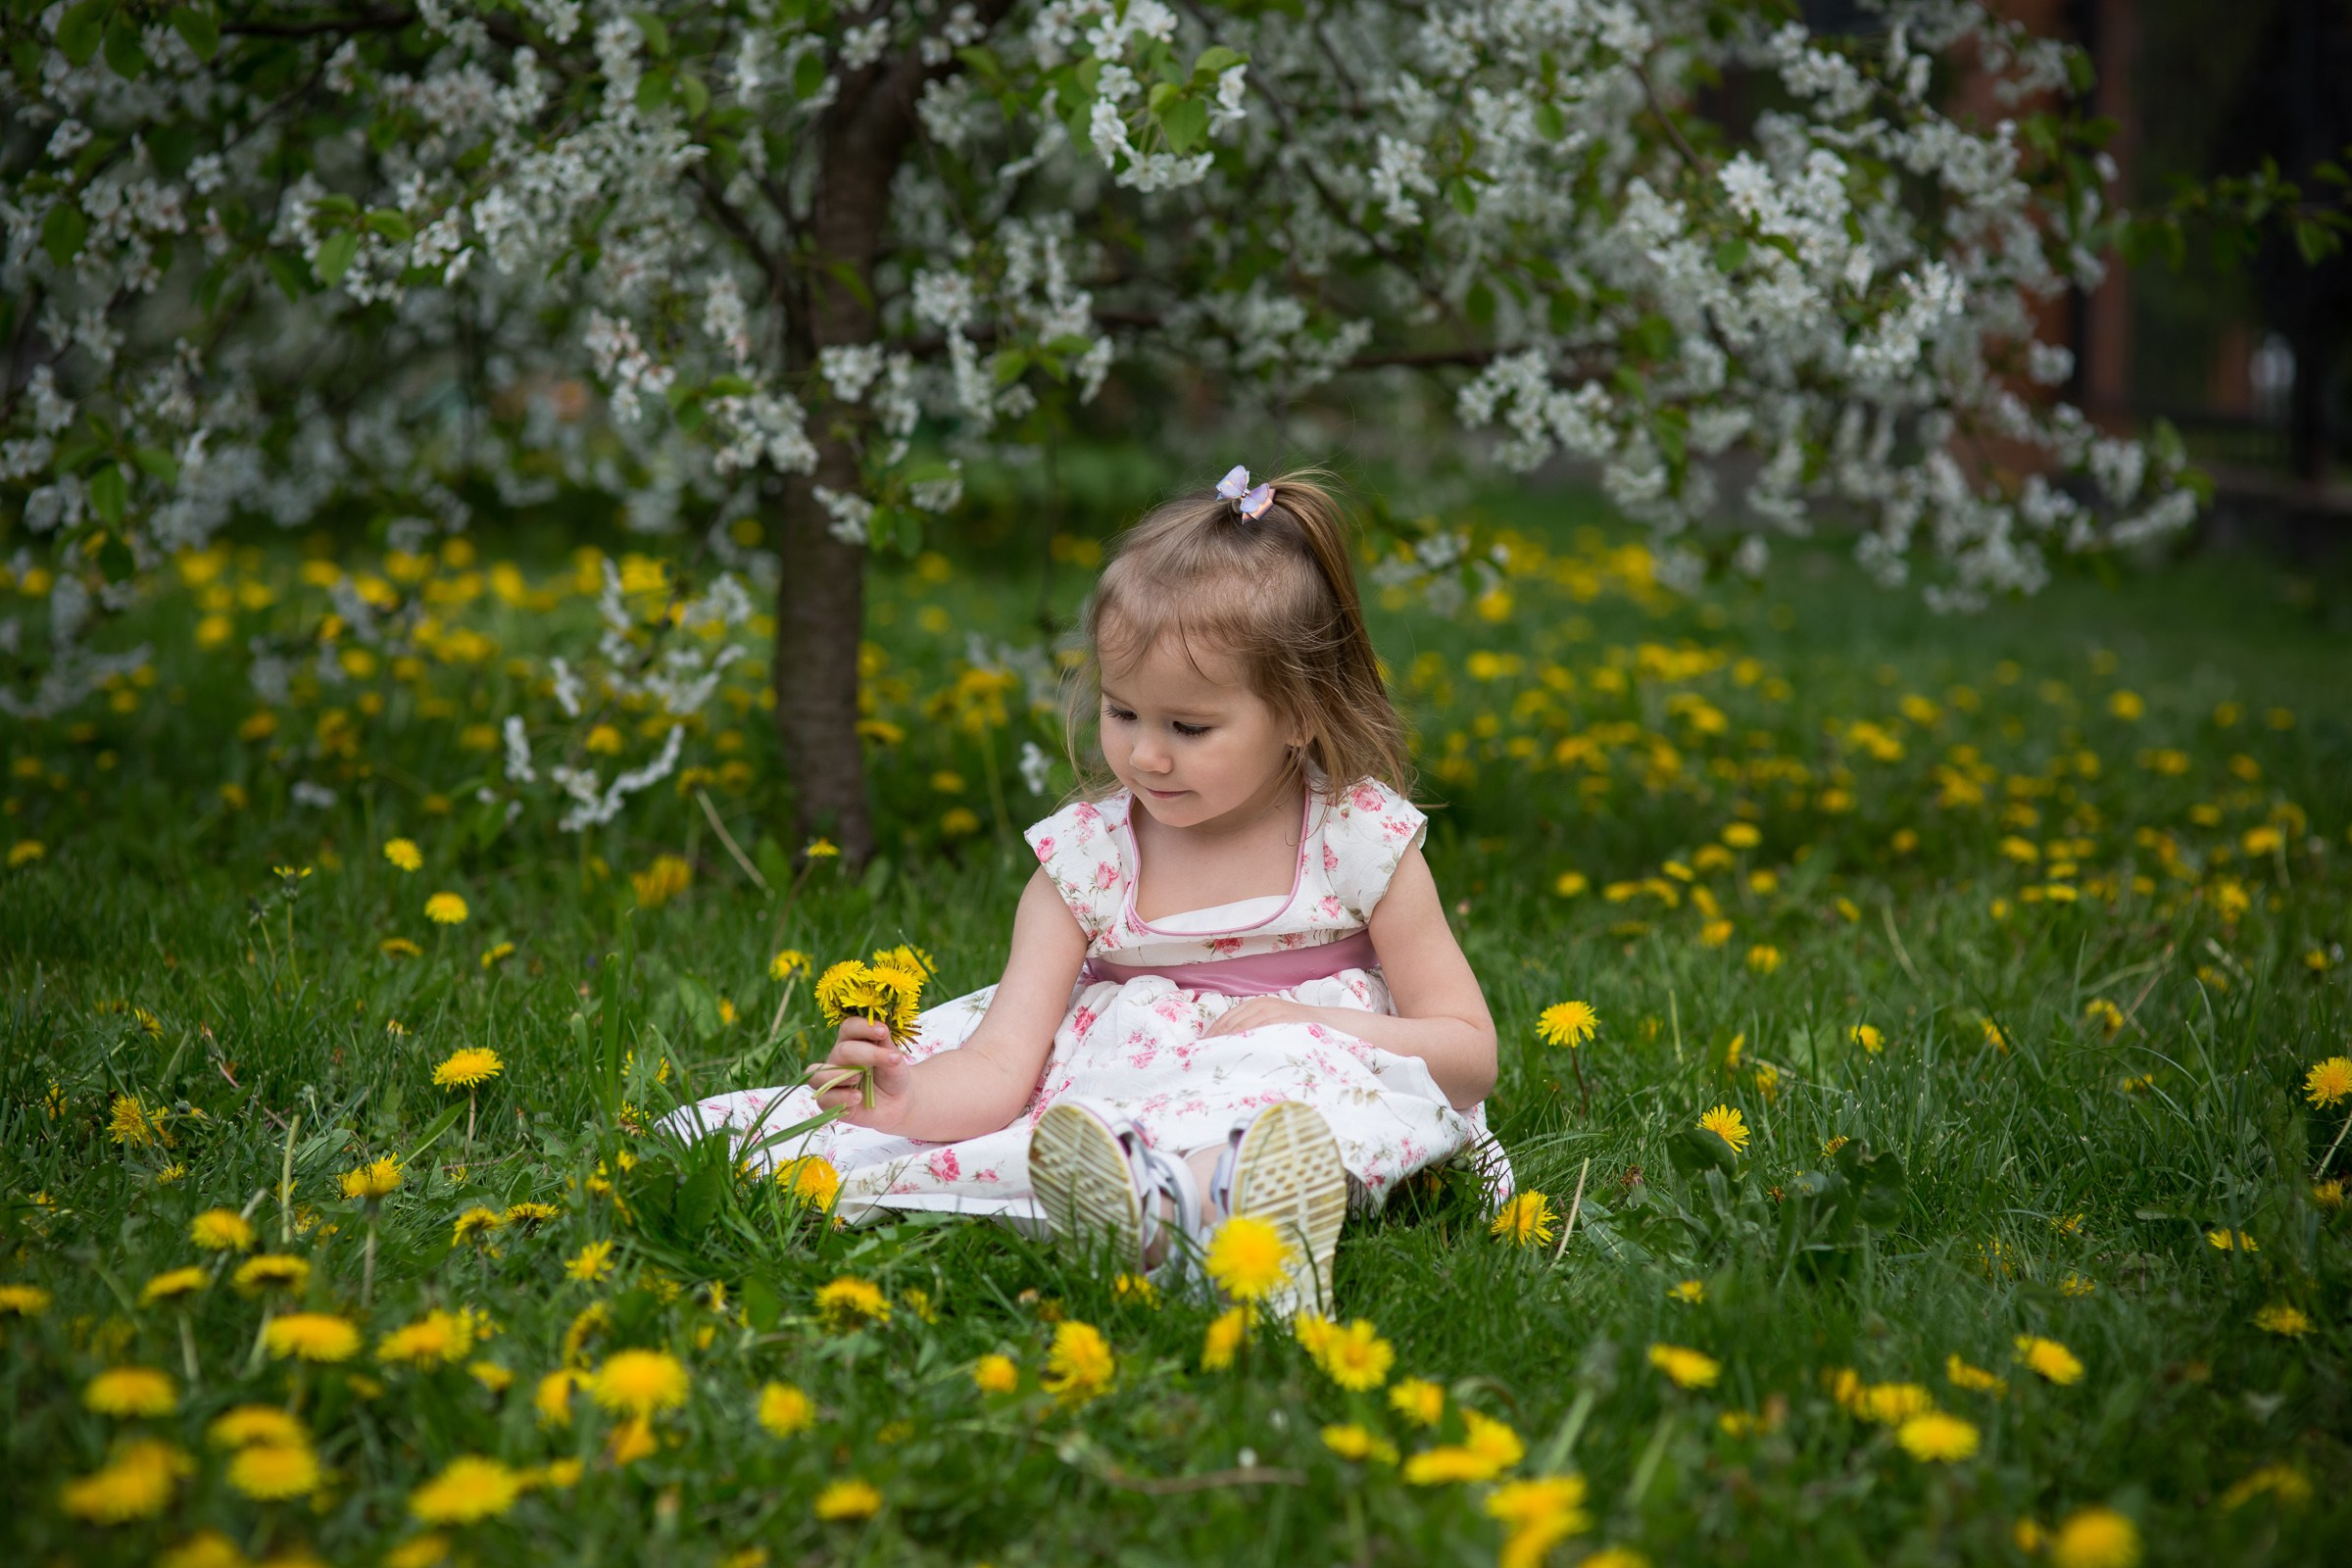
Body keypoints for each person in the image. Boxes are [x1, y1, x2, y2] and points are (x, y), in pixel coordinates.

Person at [669, 467, 1507, 1312]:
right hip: (1128, 1085)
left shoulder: (1358, 841)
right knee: (1068, 1128)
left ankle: (1238, 1213)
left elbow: (1471, 1056)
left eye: (1189, 727)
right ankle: (1146, 1208)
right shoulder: (1087, 863)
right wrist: (910, 1096)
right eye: (1122, 713)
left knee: (1290, 1086)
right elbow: (1002, 1065)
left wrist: (1320, 1026)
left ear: (1299, 713)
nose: (1146, 756)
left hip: (1303, 1071)